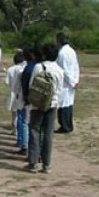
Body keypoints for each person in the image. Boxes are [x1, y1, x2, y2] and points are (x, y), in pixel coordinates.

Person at [27, 44, 64, 174]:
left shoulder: (39, 67)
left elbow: (32, 84)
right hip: (52, 104)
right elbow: (59, 89)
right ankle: (46, 164)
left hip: (38, 103)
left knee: (34, 130)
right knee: (48, 134)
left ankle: (33, 162)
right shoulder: (60, 70)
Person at [56, 32, 80, 134]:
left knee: (63, 105)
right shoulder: (71, 51)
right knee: (69, 104)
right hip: (71, 81)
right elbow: (76, 67)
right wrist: (76, 80)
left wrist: (72, 82)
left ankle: (65, 126)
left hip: (66, 83)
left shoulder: (62, 53)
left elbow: (64, 70)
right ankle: (68, 125)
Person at [6, 50, 26, 138]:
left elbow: (7, 82)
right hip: (20, 93)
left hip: (12, 92)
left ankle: (14, 129)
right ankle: (19, 130)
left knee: (14, 113)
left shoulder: (10, 69)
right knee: (21, 113)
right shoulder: (23, 69)